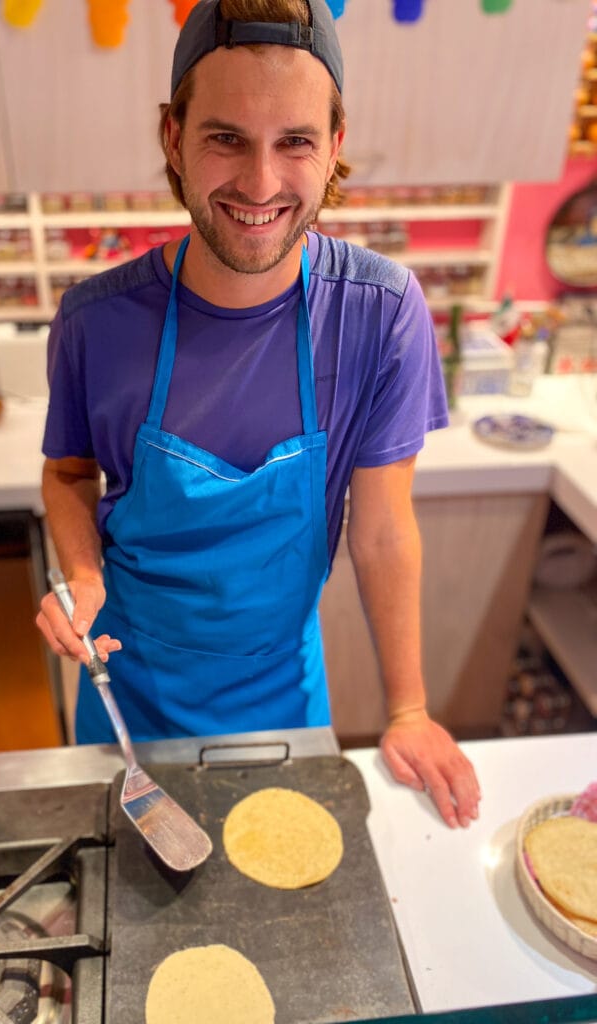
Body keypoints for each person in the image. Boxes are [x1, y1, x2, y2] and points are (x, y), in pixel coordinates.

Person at [36, 0, 481, 829]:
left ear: (335, 144)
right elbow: (67, 473)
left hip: (283, 696)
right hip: (123, 696)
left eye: (296, 142)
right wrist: (83, 574)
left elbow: (382, 528)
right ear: (173, 136)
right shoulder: (95, 321)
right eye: (226, 138)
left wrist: (409, 709)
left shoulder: (379, 314)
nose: (262, 183)